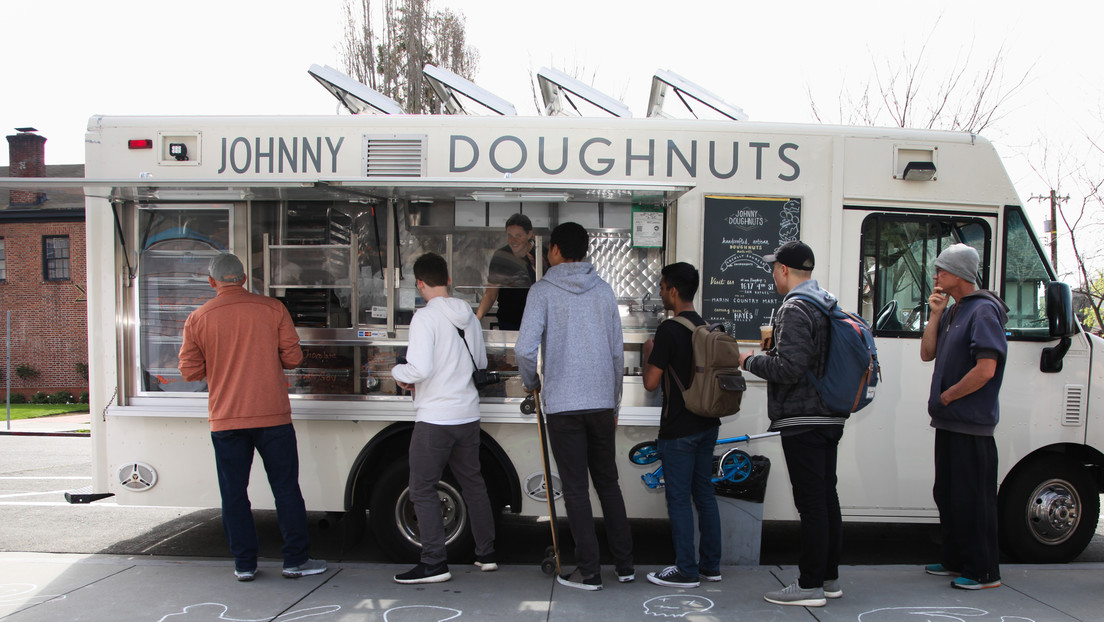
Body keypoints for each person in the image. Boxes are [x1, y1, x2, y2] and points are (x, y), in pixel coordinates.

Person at [178, 253, 327, 582]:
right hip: (272, 416)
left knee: (234, 493)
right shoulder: (272, 309)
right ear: (244, 279)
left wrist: (218, 365)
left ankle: (244, 564)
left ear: (212, 282)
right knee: (285, 489)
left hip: (227, 418)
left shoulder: (198, 318)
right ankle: (295, 560)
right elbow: (293, 357)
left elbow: (189, 371)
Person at [515, 221, 634, 591]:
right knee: (608, 484)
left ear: (554, 251)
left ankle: (590, 571)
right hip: (601, 403)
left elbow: (523, 349)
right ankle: (626, 566)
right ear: (585, 252)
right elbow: (617, 353)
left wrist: (533, 384)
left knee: (577, 490)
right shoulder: (604, 292)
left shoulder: (543, 291)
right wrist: (613, 403)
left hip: (564, 405)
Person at [737, 241, 845, 608]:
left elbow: (789, 369)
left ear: (783, 270)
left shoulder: (796, 308)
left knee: (812, 503)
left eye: (773, 268)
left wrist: (748, 360)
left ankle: (810, 584)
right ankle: (828, 578)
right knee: (826, 498)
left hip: (803, 418)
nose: (772, 275)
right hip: (828, 414)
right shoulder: (826, 302)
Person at [391, 252, 497, 584]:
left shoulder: (424, 319)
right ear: (448, 280)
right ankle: (487, 554)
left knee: (421, 487)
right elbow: (479, 362)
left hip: (435, 417)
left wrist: (397, 371)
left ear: (420, 283)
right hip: (467, 414)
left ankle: (434, 562)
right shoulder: (468, 315)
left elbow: (419, 369)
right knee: (473, 483)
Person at [920, 243, 1008, 590]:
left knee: (974, 498)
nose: (936, 275)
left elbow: (986, 369)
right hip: (949, 421)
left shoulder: (983, 311)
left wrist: (949, 395)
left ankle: (985, 571)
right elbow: (927, 353)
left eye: (941, 269)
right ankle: (956, 559)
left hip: (972, 424)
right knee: (949, 493)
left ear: (959, 274)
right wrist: (936, 314)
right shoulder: (956, 311)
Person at [641, 262, 723, 588]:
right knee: (704, 495)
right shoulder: (706, 328)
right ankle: (711, 566)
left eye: (662, 287)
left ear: (673, 290)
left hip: (678, 430)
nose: (660, 292)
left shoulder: (669, 330)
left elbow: (650, 382)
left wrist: (648, 352)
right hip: (708, 424)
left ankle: (686, 570)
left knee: (678, 499)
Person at [476, 213, 542, 330]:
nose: (513, 240)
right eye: (510, 235)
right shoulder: (501, 257)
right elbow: (490, 294)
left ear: (529, 234)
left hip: (536, 323)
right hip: (508, 322)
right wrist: (477, 319)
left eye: (518, 235)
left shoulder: (542, 255)